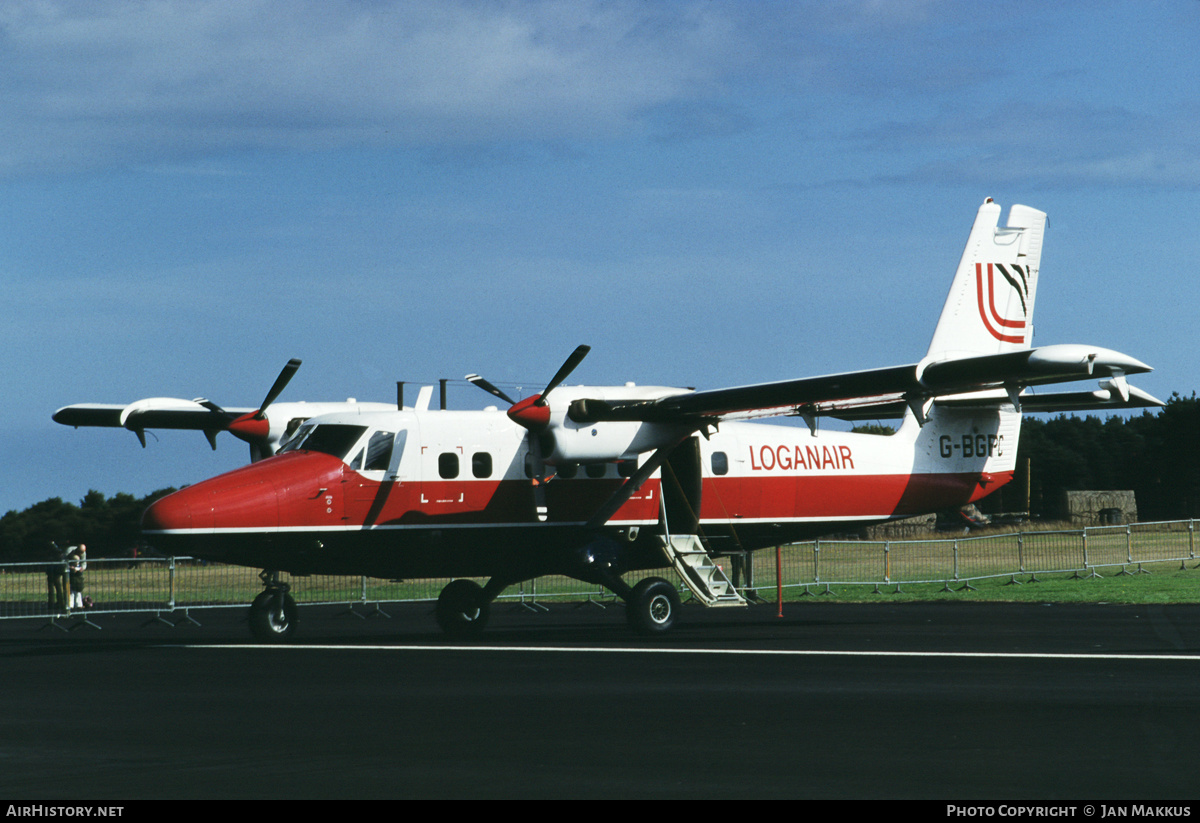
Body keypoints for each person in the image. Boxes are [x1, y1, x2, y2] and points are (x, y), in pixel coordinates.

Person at [44, 543, 68, 612]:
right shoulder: (59, 553)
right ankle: (61, 603)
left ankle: (52, 604)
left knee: (53, 588)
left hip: (52, 571)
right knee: (58, 588)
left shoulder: (50, 554)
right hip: (55, 570)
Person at [67, 545, 87, 611]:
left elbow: (84, 563)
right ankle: (70, 604)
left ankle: (79, 604)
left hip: (78, 573)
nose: (81, 554)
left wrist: (82, 568)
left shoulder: (83, 553)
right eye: (79, 552)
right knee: (71, 589)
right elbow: (64, 561)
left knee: (78, 588)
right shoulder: (69, 551)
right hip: (69, 572)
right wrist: (70, 567)